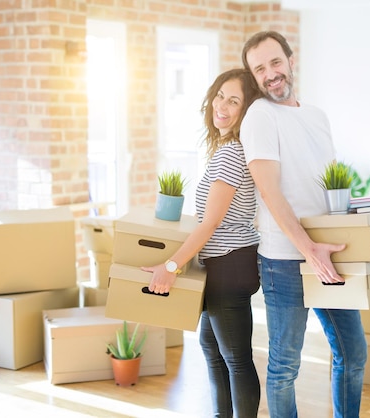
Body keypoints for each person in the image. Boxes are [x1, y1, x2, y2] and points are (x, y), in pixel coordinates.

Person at [239, 31, 367, 418]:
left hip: (327, 253)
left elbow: (323, 185)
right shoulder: (259, 116)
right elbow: (270, 192)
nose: (270, 74)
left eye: (275, 62)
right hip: (284, 261)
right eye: (259, 69)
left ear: (291, 61)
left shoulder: (316, 116)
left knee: (353, 353)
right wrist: (307, 249)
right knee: (285, 367)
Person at [142, 68, 262, 418]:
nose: (222, 105)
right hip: (225, 263)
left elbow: (210, 223)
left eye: (234, 100)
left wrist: (170, 267)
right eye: (220, 96)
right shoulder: (229, 150)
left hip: (229, 263)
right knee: (213, 349)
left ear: (246, 110)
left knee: (236, 358)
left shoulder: (230, 154)